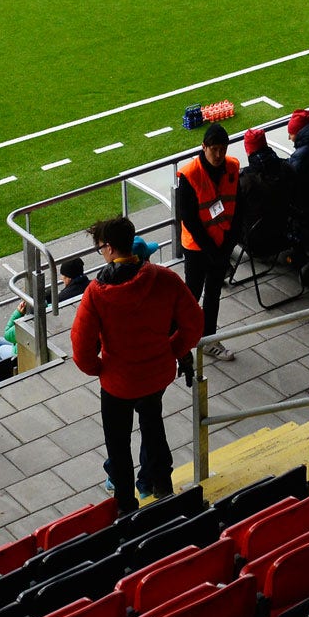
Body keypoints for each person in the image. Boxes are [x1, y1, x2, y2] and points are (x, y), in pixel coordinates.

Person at [70, 217, 201, 510]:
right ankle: (163, 487)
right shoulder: (164, 278)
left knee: (118, 445)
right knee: (153, 426)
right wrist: (171, 350)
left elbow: (81, 347)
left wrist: (98, 369)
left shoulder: (96, 293)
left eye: (101, 248)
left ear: (109, 248)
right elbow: (194, 323)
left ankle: (126, 505)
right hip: (156, 375)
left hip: (118, 382)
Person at [170, 129, 239, 365]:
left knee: (213, 293)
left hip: (221, 244)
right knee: (192, 293)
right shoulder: (189, 174)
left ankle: (209, 339)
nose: (219, 155)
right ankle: (173, 336)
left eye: (223, 149)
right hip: (198, 247)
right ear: (204, 147)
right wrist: (214, 251)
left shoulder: (232, 167)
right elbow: (189, 219)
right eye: (214, 149)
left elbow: (238, 207)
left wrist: (228, 245)